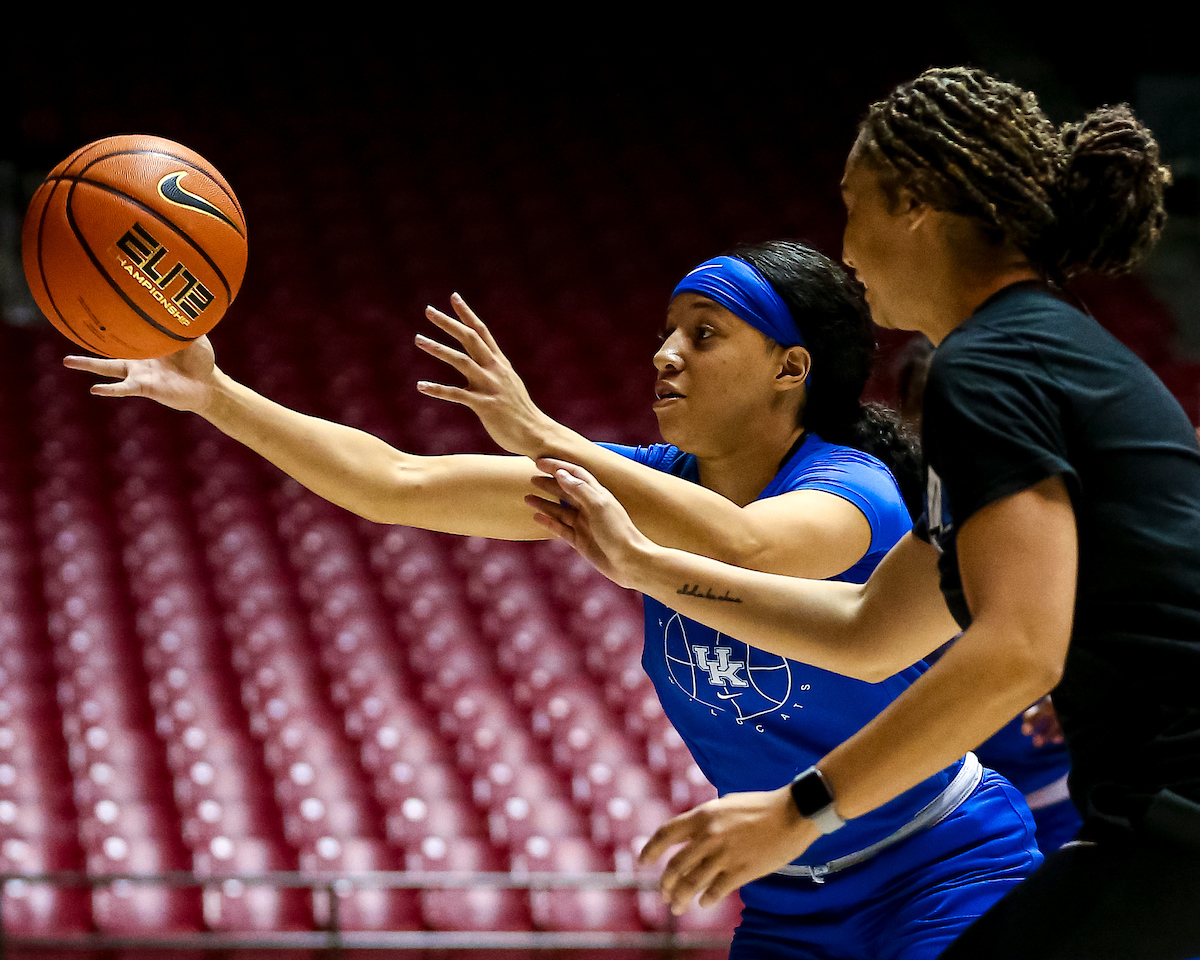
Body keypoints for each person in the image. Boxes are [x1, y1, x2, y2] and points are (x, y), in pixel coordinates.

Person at [67, 239, 1041, 959]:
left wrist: (543, 431)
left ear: (793, 370)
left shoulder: (853, 487)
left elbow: (748, 547)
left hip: (940, 862)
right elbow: (394, 483)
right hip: (787, 896)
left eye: (703, 336)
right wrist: (217, 394)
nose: (665, 354)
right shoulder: (638, 480)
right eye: (664, 332)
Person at [530, 67, 1200, 959]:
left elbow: (1017, 649)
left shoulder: (990, 366)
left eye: (854, 206)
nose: (845, 246)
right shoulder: (1037, 349)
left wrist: (804, 809)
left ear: (915, 202)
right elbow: (872, 630)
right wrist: (645, 566)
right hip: (1152, 825)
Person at [895, 335, 1081, 856]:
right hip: (957, 808)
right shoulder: (902, 522)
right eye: (926, 412)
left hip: (1062, 797)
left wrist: (1078, 680)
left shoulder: (1051, 510)